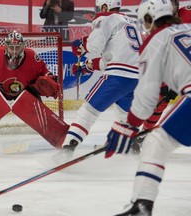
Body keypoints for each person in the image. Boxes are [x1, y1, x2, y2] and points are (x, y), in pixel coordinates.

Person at [104, 0, 191, 215]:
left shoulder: (155, 41)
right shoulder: (187, 29)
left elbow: (147, 94)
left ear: (151, 18)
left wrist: (130, 125)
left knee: (155, 143)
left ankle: (142, 205)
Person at [58, 0, 142, 158]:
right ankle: (131, 145)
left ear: (105, 6)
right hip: (137, 79)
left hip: (118, 77)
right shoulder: (132, 23)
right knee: (124, 116)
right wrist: (87, 65)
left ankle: (68, 147)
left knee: (88, 111)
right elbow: (111, 58)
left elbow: (95, 46)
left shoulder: (107, 18)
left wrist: (83, 45)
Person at [131, 0, 191, 154]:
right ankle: (143, 134)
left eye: (174, 3)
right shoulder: (160, 28)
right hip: (176, 67)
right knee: (158, 99)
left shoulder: (188, 13)